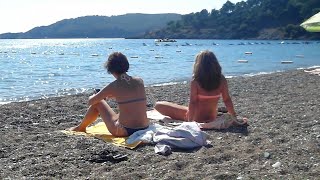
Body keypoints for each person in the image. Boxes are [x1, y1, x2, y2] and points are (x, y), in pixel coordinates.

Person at [154, 50, 247, 129]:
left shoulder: (196, 81)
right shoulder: (221, 79)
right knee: (178, 106)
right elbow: (227, 100)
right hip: (212, 116)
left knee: (158, 105)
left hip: (195, 117)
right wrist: (234, 116)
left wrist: (189, 121)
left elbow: (193, 103)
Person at [71, 52, 149, 137]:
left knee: (98, 103)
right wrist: (114, 95)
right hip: (144, 127)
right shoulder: (139, 81)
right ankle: (81, 127)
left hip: (125, 131)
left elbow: (91, 102)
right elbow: (131, 96)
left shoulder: (114, 85)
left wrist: (94, 96)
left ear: (110, 68)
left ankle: (81, 127)